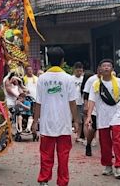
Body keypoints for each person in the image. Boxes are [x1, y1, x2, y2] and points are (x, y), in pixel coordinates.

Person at [32, 47, 79, 186]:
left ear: (48, 61)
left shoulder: (42, 78)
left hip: (47, 124)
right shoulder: (68, 79)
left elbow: (38, 102)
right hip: (64, 123)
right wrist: (76, 121)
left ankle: (44, 180)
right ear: (63, 61)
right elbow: (72, 102)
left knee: (46, 154)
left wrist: (35, 121)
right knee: (63, 155)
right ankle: (62, 182)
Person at [86, 59, 120, 179]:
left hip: (117, 115)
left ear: (112, 69)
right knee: (105, 143)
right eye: (103, 66)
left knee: (118, 140)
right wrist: (89, 116)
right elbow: (91, 101)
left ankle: (119, 167)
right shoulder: (96, 84)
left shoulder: (119, 82)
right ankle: (108, 165)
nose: (106, 68)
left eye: (108, 66)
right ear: (99, 69)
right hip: (103, 116)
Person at [82, 67, 100, 156]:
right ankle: (88, 144)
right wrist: (86, 106)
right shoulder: (92, 80)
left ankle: (108, 150)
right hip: (95, 109)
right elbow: (86, 94)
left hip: (108, 110)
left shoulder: (114, 81)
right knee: (93, 129)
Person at [72, 62, 85, 143]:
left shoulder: (83, 79)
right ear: (74, 70)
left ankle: (78, 136)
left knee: (80, 120)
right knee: (72, 119)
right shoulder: (70, 79)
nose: (79, 73)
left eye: (80, 71)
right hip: (72, 101)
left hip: (81, 101)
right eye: (78, 71)